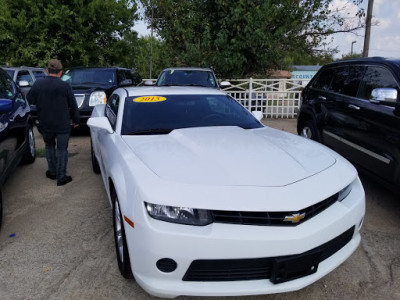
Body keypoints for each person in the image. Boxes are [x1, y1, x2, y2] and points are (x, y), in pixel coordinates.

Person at [27, 59, 80, 186]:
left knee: (49, 146)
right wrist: (76, 120)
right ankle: (61, 177)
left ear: (47, 71)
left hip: (45, 123)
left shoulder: (38, 84)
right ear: (61, 72)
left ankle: (52, 172)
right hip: (62, 124)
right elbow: (73, 105)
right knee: (62, 149)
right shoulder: (65, 86)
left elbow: (29, 100)